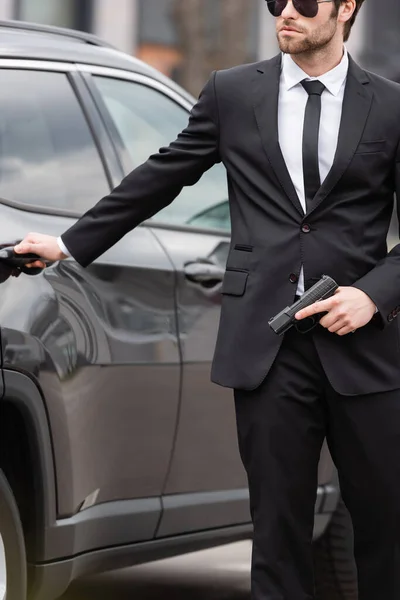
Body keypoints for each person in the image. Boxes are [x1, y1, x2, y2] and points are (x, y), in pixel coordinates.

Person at [14, 0, 400, 598]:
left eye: (304, 2)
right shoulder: (233, 92)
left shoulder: (392, 105)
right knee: (277, 534)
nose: (285, 13)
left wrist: (372, 296)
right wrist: (69, 242)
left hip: (365, 348)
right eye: (275, 2)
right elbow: (164, 173)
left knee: (385, 527)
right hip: (270, 346)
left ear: (347, 7)